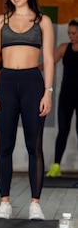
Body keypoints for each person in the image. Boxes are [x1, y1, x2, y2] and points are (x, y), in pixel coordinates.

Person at [0, 0, 55, 220]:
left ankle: (35, 204)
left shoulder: (42, 21)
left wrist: (48, 93)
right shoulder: (1, 21)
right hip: (6, 84)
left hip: (32, 84)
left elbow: (48, 59)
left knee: (33, 146)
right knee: (5, 145)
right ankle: (5, 203)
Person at [45, 19, 78, 177]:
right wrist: (30, 68)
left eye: (74, 33)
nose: (71, 36)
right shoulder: (64, 48)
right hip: (66, 96)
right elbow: (49, 63)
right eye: (69, 33)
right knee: (63, 130)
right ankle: (56, 166)